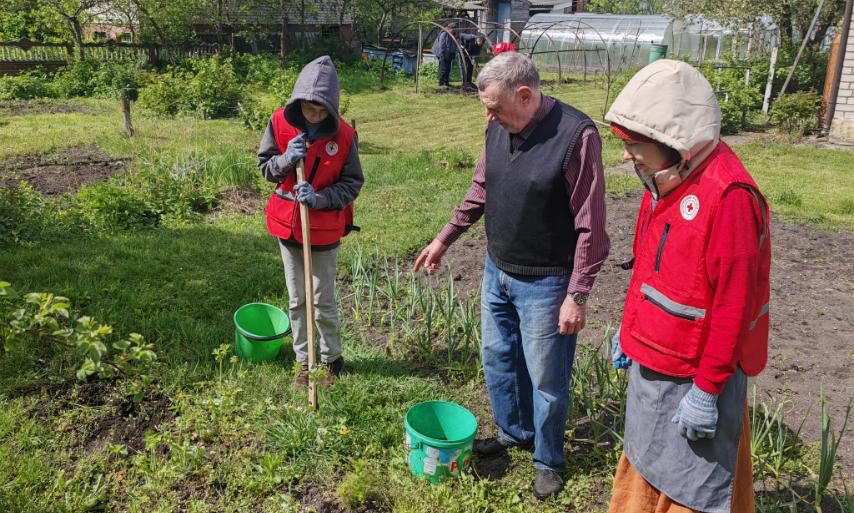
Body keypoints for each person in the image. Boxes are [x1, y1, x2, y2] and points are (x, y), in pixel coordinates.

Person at [413, 52, 609, 499]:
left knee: (546, 378)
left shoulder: (576, 136)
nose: (488, 115)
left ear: (525, 95)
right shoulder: (499, 127)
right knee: (498, 357)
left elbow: (591, 224)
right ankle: (513, 431)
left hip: (546, 281)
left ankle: (547, 459)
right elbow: (483, 184)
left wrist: (577, 294)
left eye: (495, 107)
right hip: (496, 268)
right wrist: (445, 238)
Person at [605, 59, 770, 513]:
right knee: (645, 461)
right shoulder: (662, 180)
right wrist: (629, 330)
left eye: (634, 144)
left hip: (696, 378)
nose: (625, 155)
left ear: (675, 143)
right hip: (655, 360)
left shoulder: (730, 197)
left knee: (693, 486)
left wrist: (707, 390)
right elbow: (646, 269)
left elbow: (733, 309)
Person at [257, 55, 364, 387]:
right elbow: (265, 168)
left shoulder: (344, 136)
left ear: (332, 109)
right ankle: (305, 360)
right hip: (288, 227)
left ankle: (331, 359)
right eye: (308, 109)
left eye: (322, 111)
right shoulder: (279, 122)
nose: (315, 116)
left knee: (322, 298)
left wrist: (319, 199)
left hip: (324, 230)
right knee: (297, 298)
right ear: (297, 102)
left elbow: (352, 183)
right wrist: (287, 159)